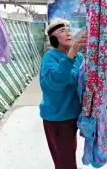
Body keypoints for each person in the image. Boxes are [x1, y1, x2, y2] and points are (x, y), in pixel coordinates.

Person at [39, 19, 87, 169]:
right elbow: (55, 82)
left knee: (70, 154)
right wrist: (72, 52)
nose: (68, 32)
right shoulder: (50, 57)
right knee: (65, 162)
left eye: (69, 29)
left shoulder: (79, 57)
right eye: (62, 31)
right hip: (57, 119)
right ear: (53, 39)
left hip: (74, 115)